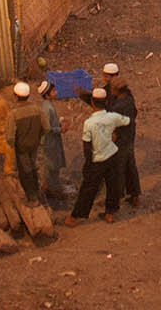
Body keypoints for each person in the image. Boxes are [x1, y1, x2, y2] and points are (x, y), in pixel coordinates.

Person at [64, 88, 131, 226]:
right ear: (106, 102)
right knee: (113, 185)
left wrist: (88, 164)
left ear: (92, 103)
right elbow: (127, 121)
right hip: (112, 155)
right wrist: (115, 133)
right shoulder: (113, 117)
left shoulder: (89, 123)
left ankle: (76, 216)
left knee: (88, 188)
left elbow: (87, 146)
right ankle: (110, 213)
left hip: (97, 159)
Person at [4, 81, 45, 201]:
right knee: (33, 165)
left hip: (21, 147)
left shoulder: (13, 114)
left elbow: (10, 137)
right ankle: (37, 190)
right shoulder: (37, 109)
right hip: (34, 144)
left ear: (15, 96)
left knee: (25, 170)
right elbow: (46, 127)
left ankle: (32, 197)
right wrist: (37, 137)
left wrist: (12, 146)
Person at [105, 77, 141, 206]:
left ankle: (115, 199)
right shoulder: (129, 99)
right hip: (129, 137)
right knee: (130, 166)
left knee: (117, 169)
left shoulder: (118, 106)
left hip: (119, 140)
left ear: (116, 90)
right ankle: (135, 195)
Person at [36, 80, 68, 202]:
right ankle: (51, 190)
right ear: (47, 95)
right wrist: (60, 129)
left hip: (52, 140)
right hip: (49, 142)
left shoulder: (48, 105)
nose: (56, 92)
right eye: (53, 91)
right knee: (51, 166)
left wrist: (60, 125)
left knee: (53, 165)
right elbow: (47, 128)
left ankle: (51, 188)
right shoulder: (46, 108)